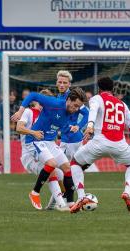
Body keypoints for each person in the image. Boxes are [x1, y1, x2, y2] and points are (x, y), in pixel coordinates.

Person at [69, 77, 130, 214]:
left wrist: (90, 126)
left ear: (99, 88)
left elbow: (93, 111)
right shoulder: (122, 104)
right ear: (112, 89)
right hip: (120, 144)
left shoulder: (97, 99)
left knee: (75, 162)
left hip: (99, 142)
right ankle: (127, 192)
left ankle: (80, 197)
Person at [11, 87, 86, 210]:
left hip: (49, 142)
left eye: (78, 107)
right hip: (35, 140)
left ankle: (71, 204)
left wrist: (73, 129)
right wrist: (20, 112)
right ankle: (35, 192)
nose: (76, 109)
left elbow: (62, 126)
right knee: (52, 163)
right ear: (68, 100)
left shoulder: (69, 113)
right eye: (75, 105)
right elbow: (33, 95)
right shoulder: (54, 103)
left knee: (67, 168)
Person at [16, 89, 68, 211]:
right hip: (29, 154)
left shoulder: (46, 115)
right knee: (52, 171)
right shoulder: (28, 112)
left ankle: (53, 204)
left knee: (62, 176)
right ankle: (61, 204)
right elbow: (19, 128)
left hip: (42, 150)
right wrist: (33, 132)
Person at [49, 70, 89, 208]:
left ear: (69, 84)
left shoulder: (73, 97)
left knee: (71, 171)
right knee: (60, 170)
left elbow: (87, 113)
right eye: (59, 82)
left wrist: (78, 126)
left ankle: (79, 199)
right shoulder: (58, 97)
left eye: (64, 82)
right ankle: (59, 199)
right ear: (56, 83)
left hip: (74, 141)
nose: (61, 84)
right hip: (64, 140)